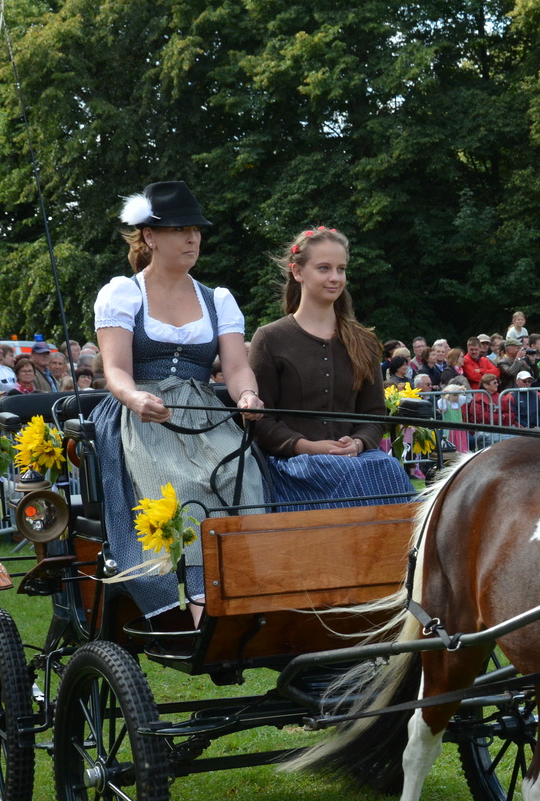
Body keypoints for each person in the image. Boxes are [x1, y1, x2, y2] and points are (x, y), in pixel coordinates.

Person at [94, 180, 266, 618]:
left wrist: (247, 394)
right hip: (142, 415)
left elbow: (236, 366)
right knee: (181, 493)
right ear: (150, 236)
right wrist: (134, 398)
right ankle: (196, 603)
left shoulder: (217, 299)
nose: (192, 238)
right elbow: (114, 370)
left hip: (203, 414)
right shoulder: (123, 293)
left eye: (196, 230)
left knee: (240, 479)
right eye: (179, 230)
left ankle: (247, 591)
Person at [247, 225, 415, 510]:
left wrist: (358, 444)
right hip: (294, 468)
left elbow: (374, 414)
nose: (335, 278)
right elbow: (260, 420)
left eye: (341, 269)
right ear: (298, 272)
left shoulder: (361, 340)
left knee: (389, 470)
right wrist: (307, 447)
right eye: (324, 268)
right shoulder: (270, 338)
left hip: (358, 462)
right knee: (345, 474)